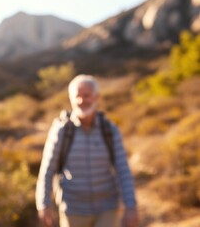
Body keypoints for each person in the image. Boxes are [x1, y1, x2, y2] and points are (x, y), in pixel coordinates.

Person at [35, 74, 138, 227]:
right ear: (71, 99)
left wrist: (131, 206)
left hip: (107, 208)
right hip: (73, 209)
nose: (81, 101)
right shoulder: (62, 131)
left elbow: (123, 169)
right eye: (77, 96)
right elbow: (47, 170)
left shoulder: (110, 130)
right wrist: (43, 204)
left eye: (87, 95)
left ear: (97, 97)